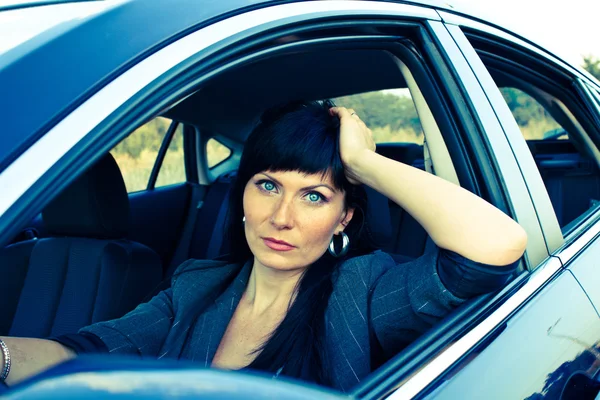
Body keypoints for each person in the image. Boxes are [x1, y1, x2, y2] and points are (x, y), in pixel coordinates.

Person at [0, 101, 527, 391]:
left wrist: (365, 164)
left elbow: (496, 246)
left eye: (314, 196)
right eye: (268, 185)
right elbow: (83, 350)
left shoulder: (363, 290)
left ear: (345, 217)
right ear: (243, 194)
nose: (281, 217)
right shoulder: (196, 284)